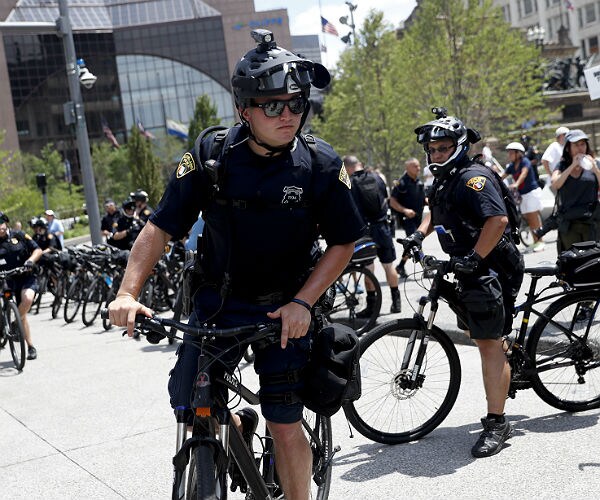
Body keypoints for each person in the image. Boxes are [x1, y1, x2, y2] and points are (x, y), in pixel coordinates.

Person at [108, 29, 364, 500]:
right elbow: (159, 228)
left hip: (285, 309)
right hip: (218, 303)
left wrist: (304, 303)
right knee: (190, 404)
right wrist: (127, 292)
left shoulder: (321, 164)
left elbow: (344, 241)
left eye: (296, 103)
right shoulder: (211, 154)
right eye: (273, 105)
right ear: (244, 109)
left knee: (284, 423)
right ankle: (230, 432)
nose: (288, 115)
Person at [404, 107, 524, 458]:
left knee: (488, 343)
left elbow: (498, 220)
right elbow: (434, 211)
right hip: (468, 265)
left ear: (457, 146)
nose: (435, 154)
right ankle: (506, 360)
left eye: (442, 148)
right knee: (483, 335)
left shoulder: (474, 177)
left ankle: (498, 422)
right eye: (431, 149)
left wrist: (475, 257)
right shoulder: (443, 180)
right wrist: (418, 234)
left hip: (491, 267)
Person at [344, 155, 401, 314]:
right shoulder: (377, 178)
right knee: (389, 266)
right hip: (383, 228)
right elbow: (385, 198)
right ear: (360, 164)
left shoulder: (350, 182)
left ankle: (372, 306)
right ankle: (396, 302)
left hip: (365, 232)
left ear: (347, 168)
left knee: (368, 268)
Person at [0, 211, 43, 360]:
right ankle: (30, 346)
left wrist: (30, 261)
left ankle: (14, 324)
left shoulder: (19, 235)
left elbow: (37, 250)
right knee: (21, 314)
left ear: (6, 222)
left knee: (27, 300)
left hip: (26, 277)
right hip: (6, 280)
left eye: (1, 222)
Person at [550, 129, 600, 253]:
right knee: (573, 262)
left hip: (591, 222)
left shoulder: (594, 164)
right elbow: (555, 184)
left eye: (582, 144)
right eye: (575, 145)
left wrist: (594, 169)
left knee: (593, 261)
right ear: (568, 148)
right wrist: (572, 166)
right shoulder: (562, 165)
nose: (580, 148)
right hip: (569, 224)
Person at [502, 142, 545, 251]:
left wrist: (516, 184)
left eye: (511, 153)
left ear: (518, 153)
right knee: (528, 219)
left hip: (532, 193)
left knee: (533, 218)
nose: (509, 155)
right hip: (523, 195)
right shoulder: (512, 166)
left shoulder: (525, 161)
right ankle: (536, 242)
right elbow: (501, 176)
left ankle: (541, 242)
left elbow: (524, 174)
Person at [390, 158, 426, 278]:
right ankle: (426, 269)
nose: (418, 168)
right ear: (407, 168)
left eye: (419, 166)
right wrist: (405, 210)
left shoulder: (419, 182)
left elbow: (422, 198)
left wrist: (429, 202)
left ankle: (400, 266)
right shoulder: (401, 183)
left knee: (411, 244)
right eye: (415, 166)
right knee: (415, 242)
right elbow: (392, 201)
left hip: (418, 218)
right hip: (407, 219)